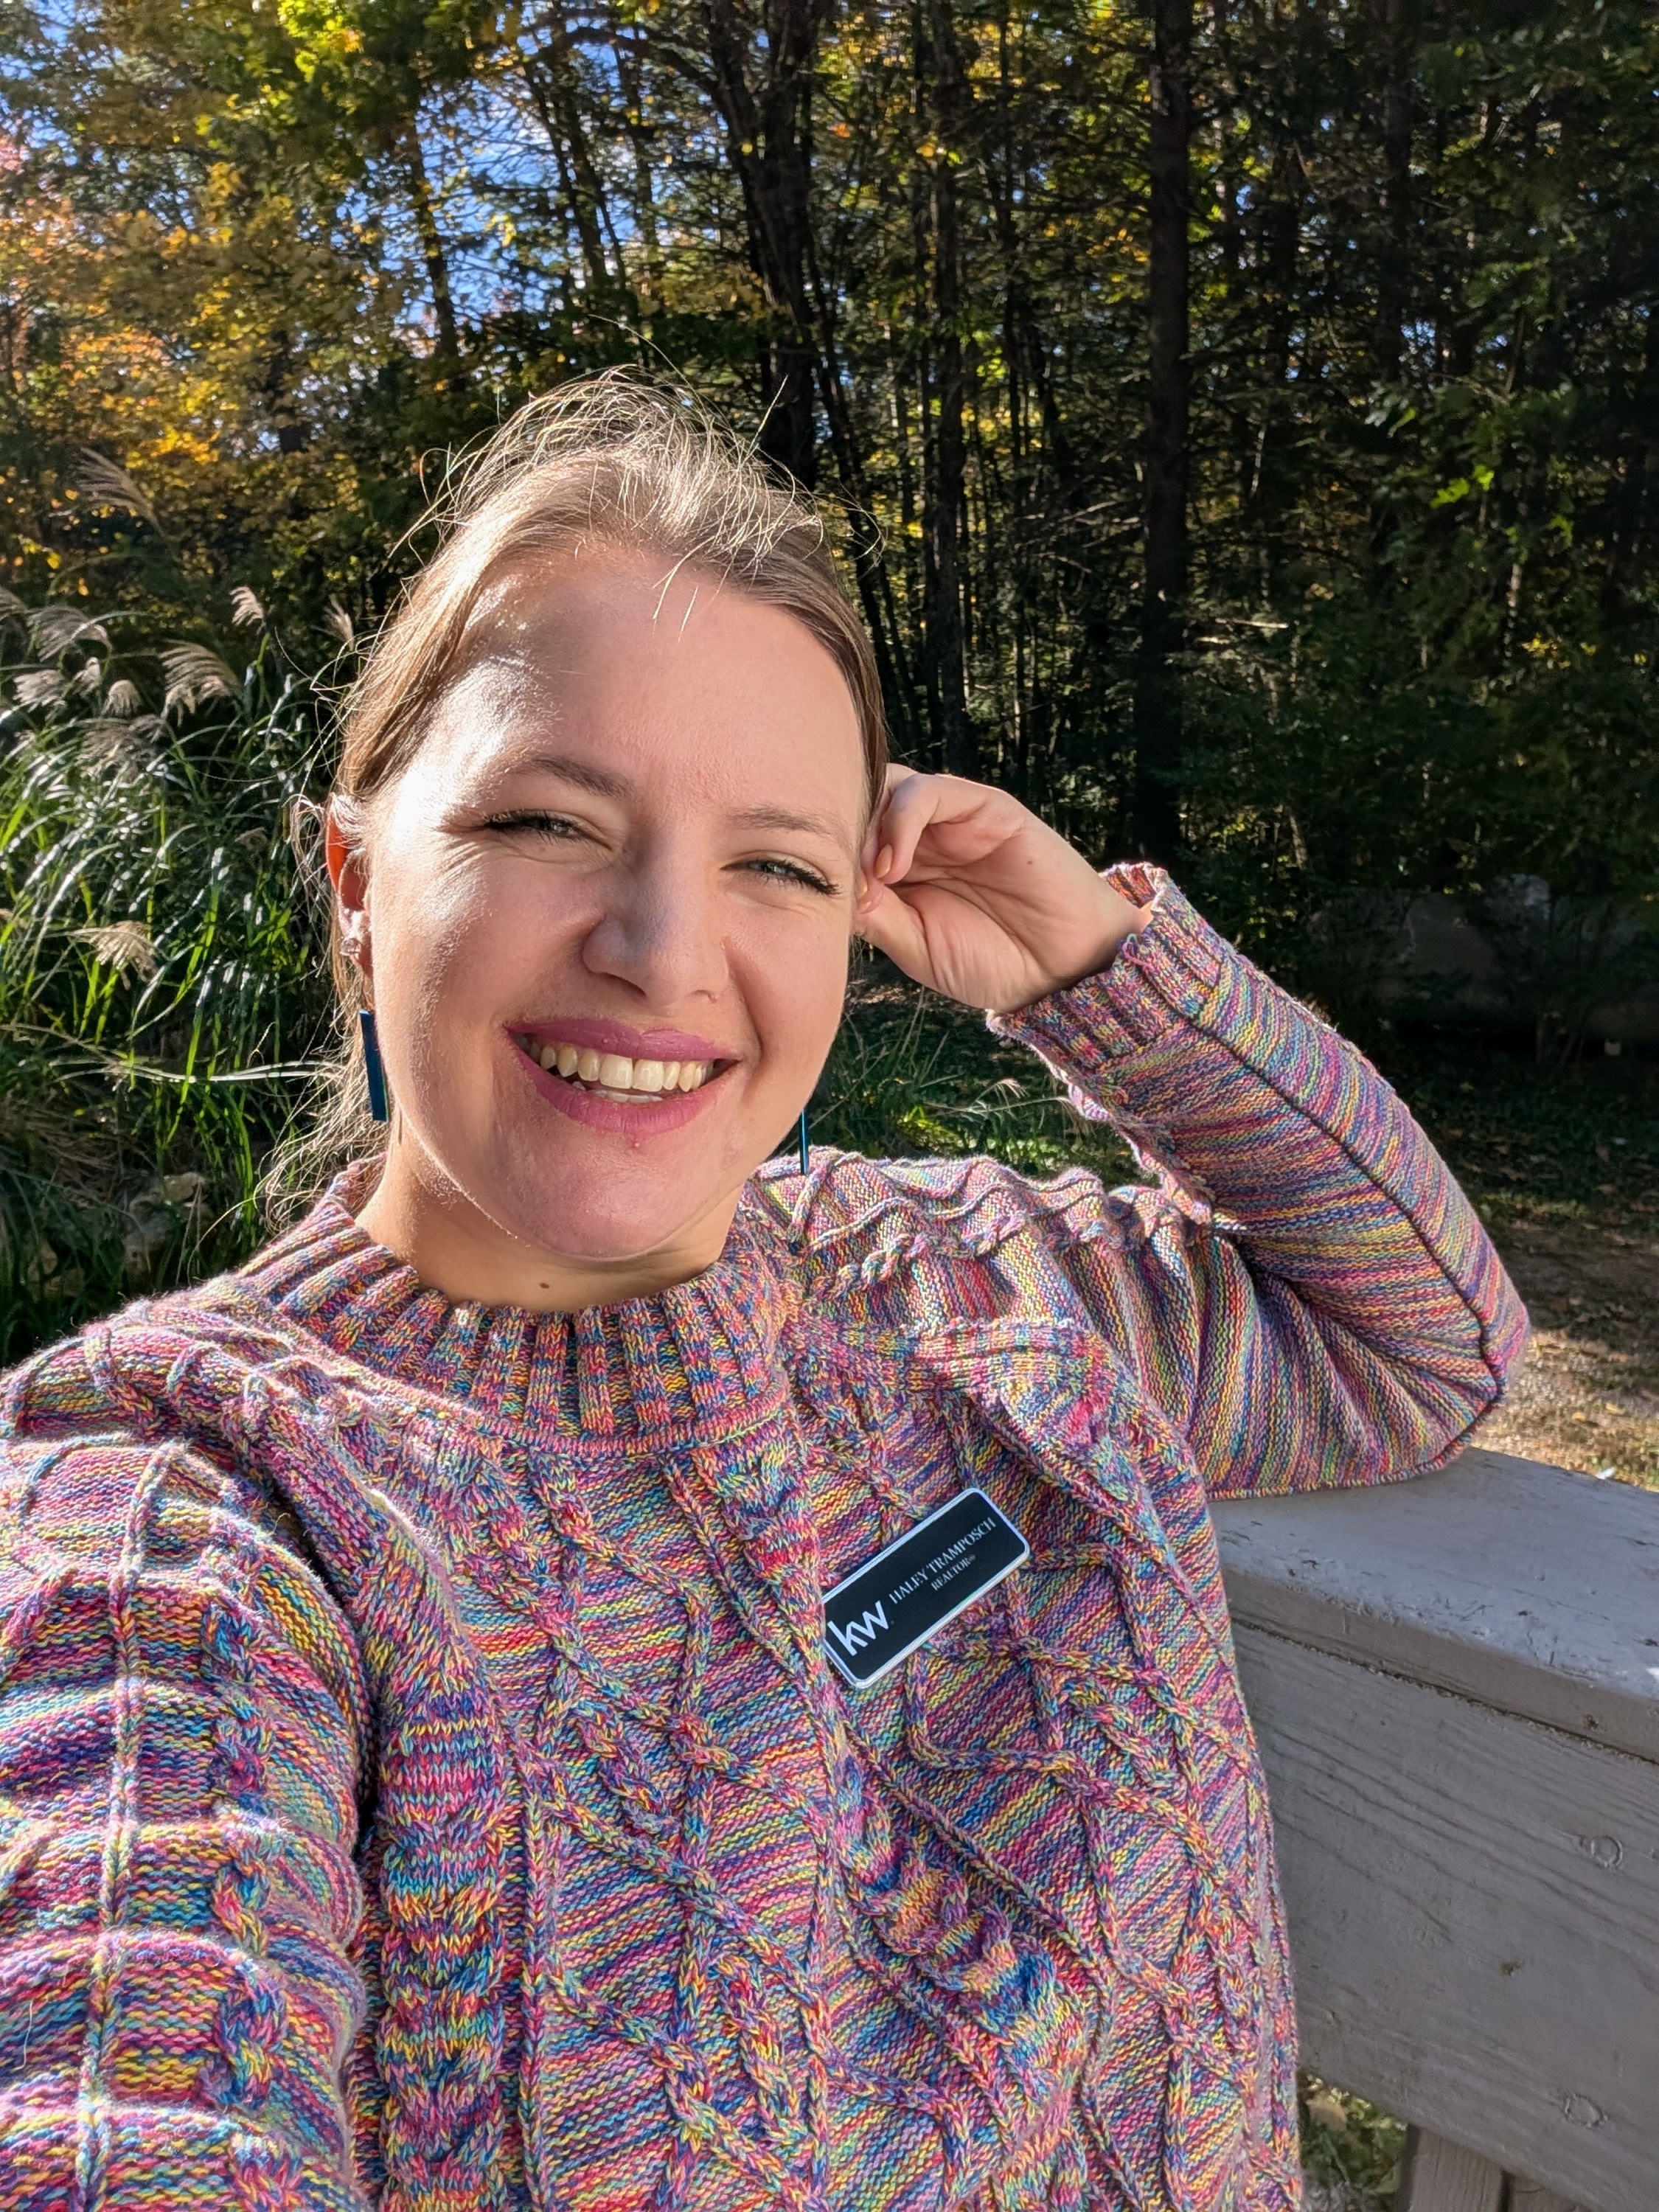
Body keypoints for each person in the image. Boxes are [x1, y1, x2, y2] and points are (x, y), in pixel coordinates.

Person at [0, 378, 1525, 2212]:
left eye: (776, 864)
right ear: (353, 884)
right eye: (548, 823)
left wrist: (1096, 970)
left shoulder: (967, 1288)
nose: (664, 952)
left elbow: (1416, 1342)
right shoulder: (198, 1502)